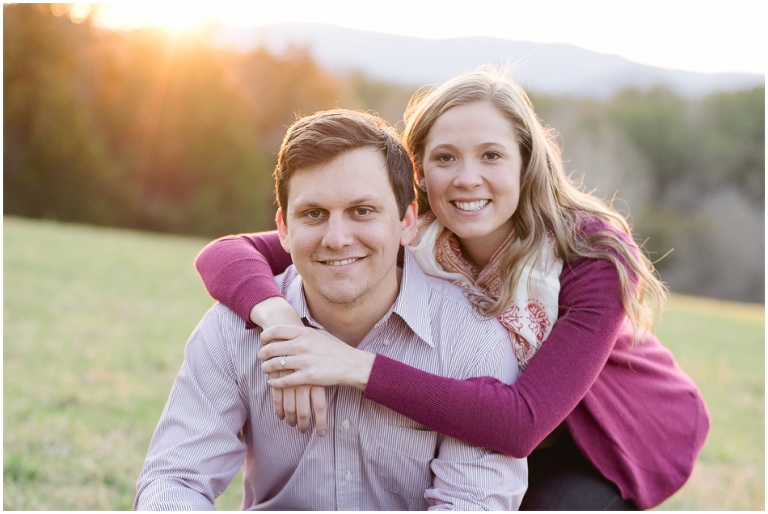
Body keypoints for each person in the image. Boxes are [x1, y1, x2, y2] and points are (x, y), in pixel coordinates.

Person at [195, 69, 710, 510]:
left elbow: (520, 424)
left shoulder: (590, 256)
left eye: (491, 156)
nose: (467, 178)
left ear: (526, 162)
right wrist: (282, 323)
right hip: (491, 425)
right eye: (445, 158)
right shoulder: (411, 230)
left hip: (605, 435)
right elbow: (226, 254)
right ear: (418, 171)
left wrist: (349, 365)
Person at [135, 109, 527, 510]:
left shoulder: (473, 340)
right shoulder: (233, 330)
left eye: (362, 211)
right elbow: (175, 480)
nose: (336, 239)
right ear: (284, 229)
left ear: (407, 221)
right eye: (314, 214)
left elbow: (472, 504)